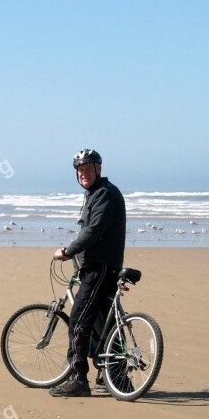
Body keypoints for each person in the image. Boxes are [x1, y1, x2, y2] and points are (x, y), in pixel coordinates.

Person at [50, 149, 126, 397]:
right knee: (103, 323)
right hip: (97, 267)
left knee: (78, 320)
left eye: (88, 169)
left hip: (99, 268)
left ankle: (79, 380)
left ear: (99, 169)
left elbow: (93, 231)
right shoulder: (94, 195)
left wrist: (68, 250)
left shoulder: (105, 194)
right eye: (80, 170)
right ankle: (115, 376)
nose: (84, 173)